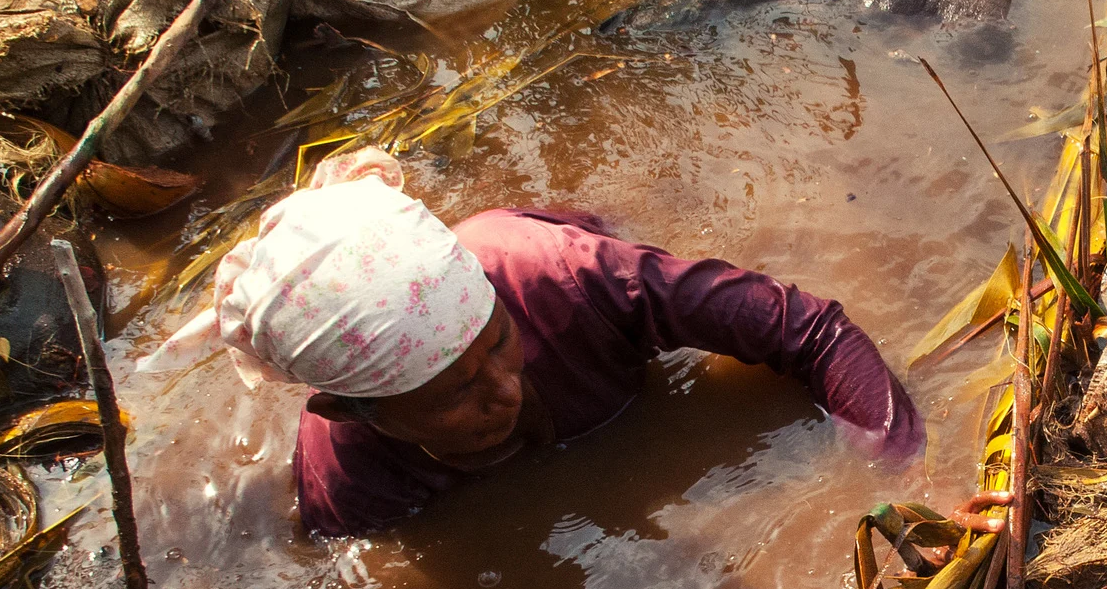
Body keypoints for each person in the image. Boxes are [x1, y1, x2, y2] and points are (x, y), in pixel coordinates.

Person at [174, 150, 984, 540]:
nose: (503, 385)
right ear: (357, 412)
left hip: (546, 238)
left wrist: (910, 474)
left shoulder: (570, 280)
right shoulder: (349, 479)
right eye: (452, 391)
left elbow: (807, 328)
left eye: (496, 344)